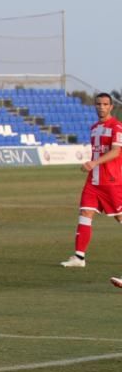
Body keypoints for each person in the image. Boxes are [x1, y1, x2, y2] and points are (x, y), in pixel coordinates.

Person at [60, 92, 122, 268]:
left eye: (105, 104)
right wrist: (92, 166)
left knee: (120, 217)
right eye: (98, 104)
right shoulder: (94, 127)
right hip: (93, 181)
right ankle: (79, 257)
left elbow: (116, 152)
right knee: (85, 213)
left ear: (111, 107)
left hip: (111, 181)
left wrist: (93, 162)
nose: (101, 107)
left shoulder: (117, 127)